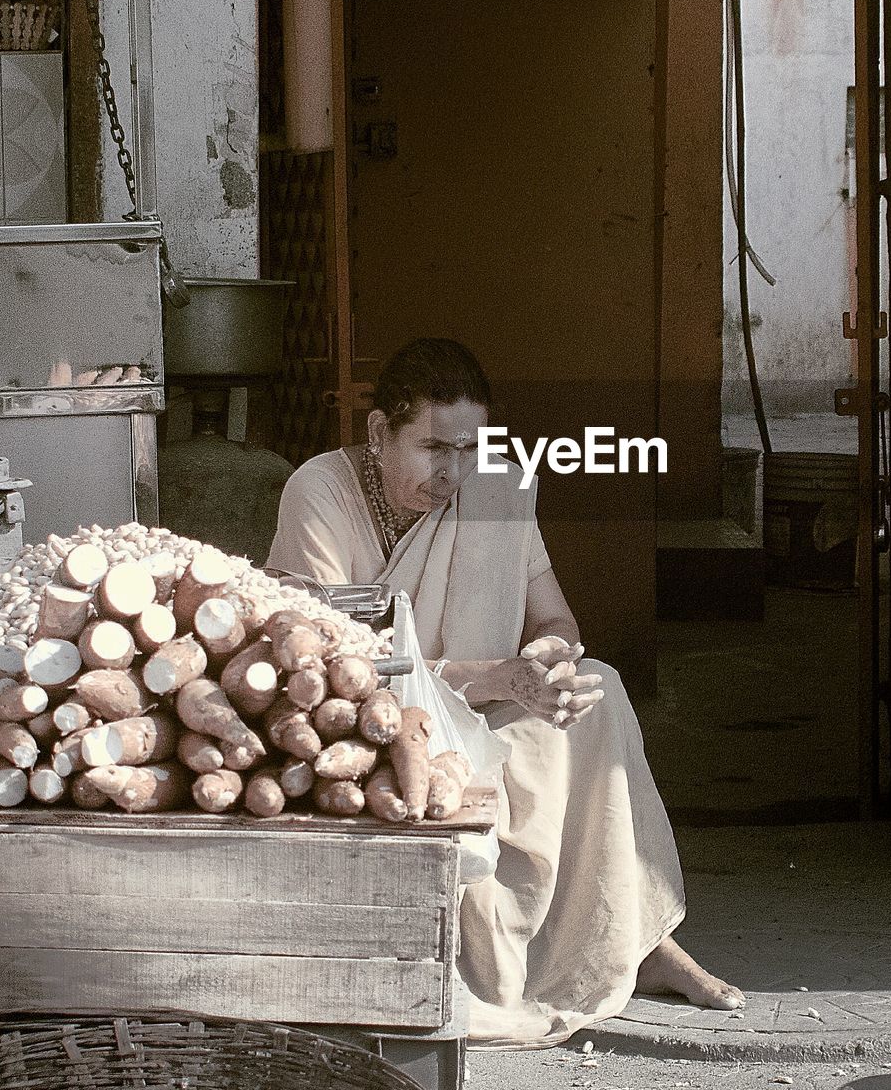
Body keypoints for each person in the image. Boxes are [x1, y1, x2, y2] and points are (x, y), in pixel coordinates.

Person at [268, 337, 744, 1049]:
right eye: (434, 448)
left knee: (600, 692)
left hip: (479, 700)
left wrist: (549, 657)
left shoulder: (496, 486)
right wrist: (492, 679)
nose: (455, 471)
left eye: (471, 448)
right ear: (378, 433)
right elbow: (344, 669)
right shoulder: (320, 492)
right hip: (374, 726)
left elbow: (553, 615)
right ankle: (491, 963)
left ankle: (640, 941)